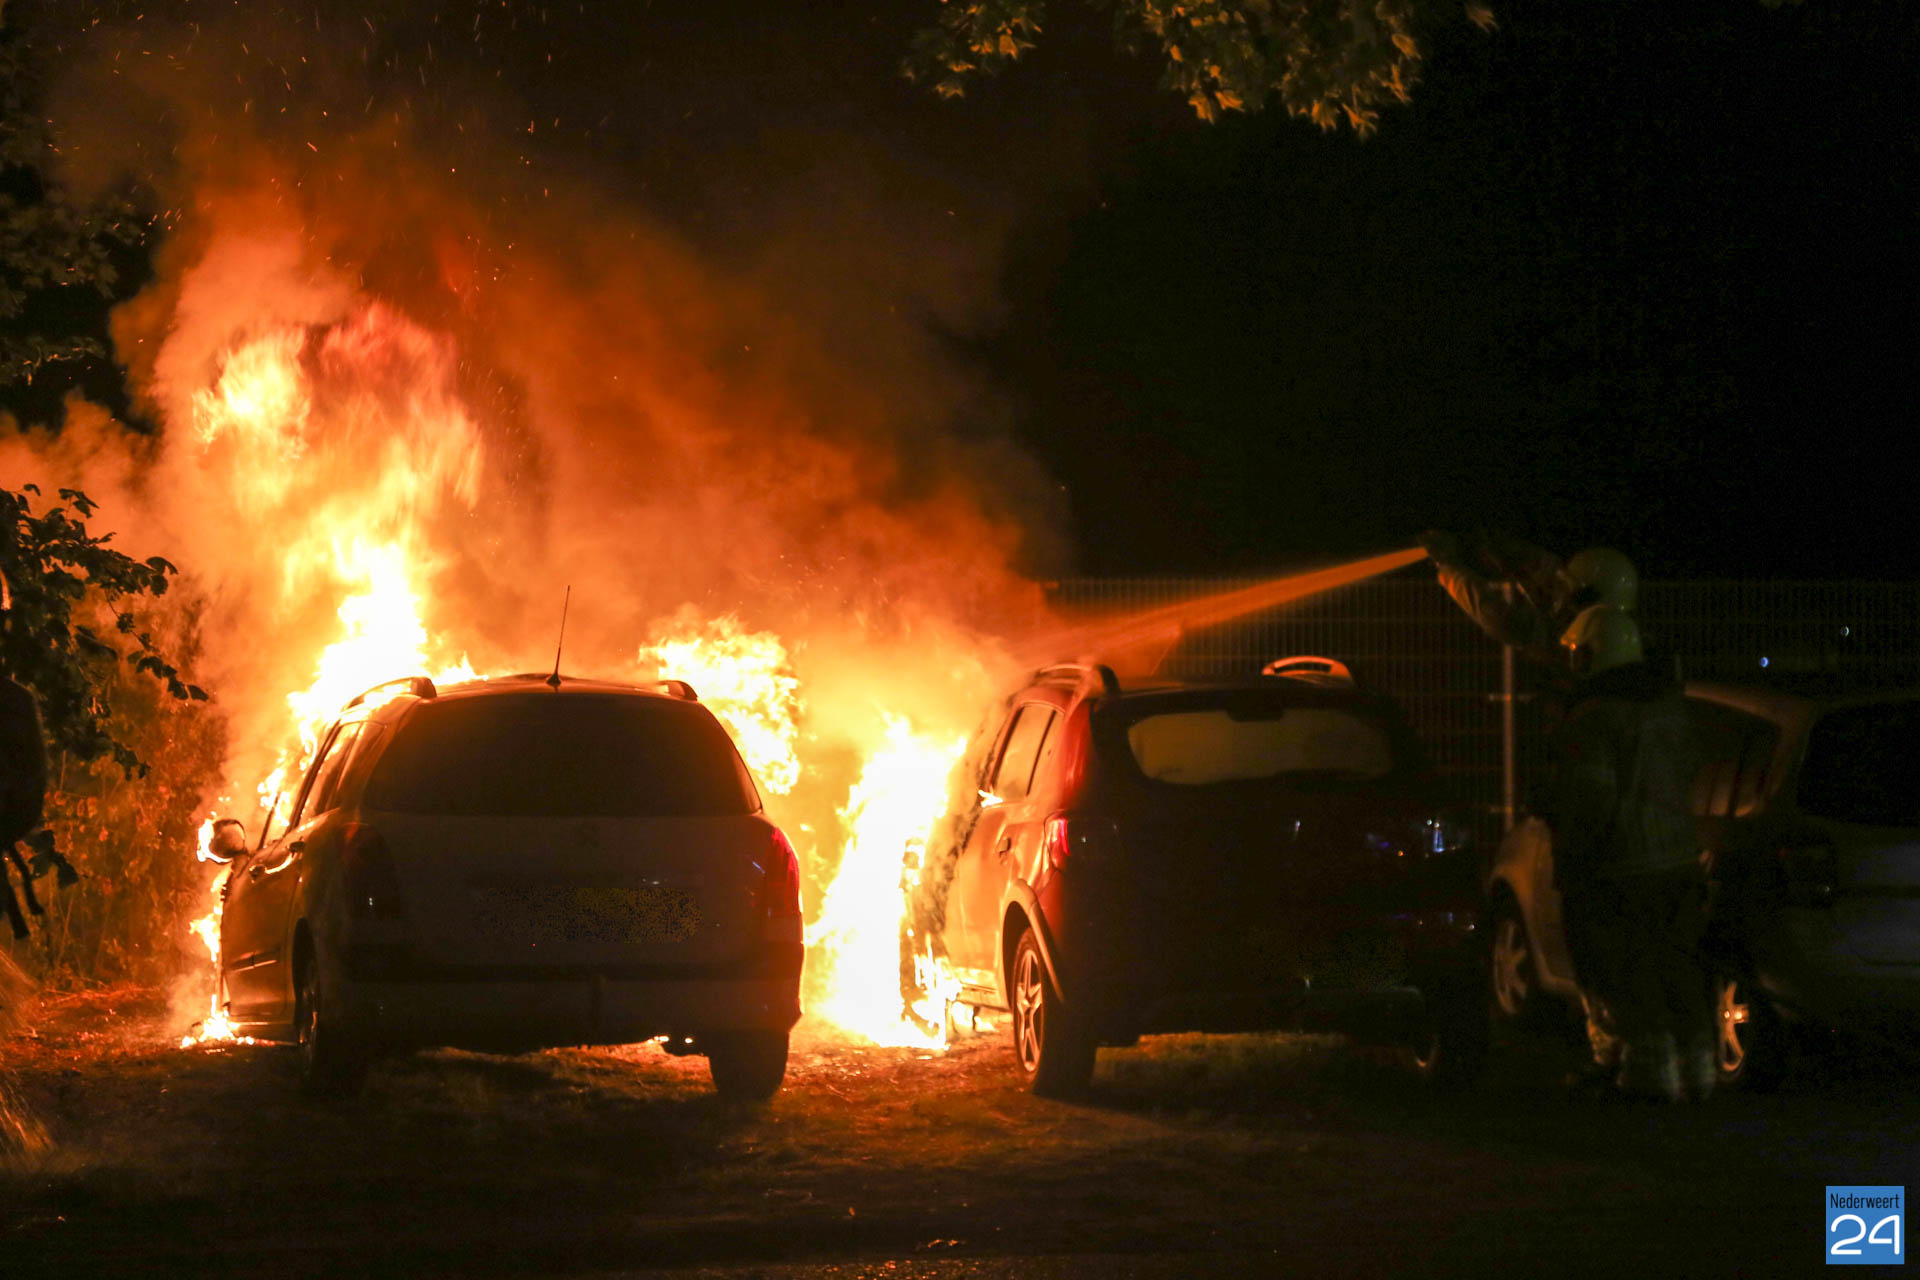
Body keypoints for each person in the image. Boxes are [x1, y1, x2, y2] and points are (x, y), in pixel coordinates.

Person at [1546, 604, 1713, 1102]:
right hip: (1678, 863)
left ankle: (1648, 1077)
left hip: (1620, 867)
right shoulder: (1669, 711)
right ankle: (1698, 1072)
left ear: (1592, 657)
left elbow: (1588, 800)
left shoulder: (1593, 720)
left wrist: (1570, 852)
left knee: (1625, 974)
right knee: (1677, 968)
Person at [1418, 530, 1638, 676]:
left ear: (1587, 595)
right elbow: (1539, 570)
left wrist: (1449, 567)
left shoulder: (1584, 637)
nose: (1558, 592)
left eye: (1567, 588)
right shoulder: (1621, 638)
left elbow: (1505, 621)